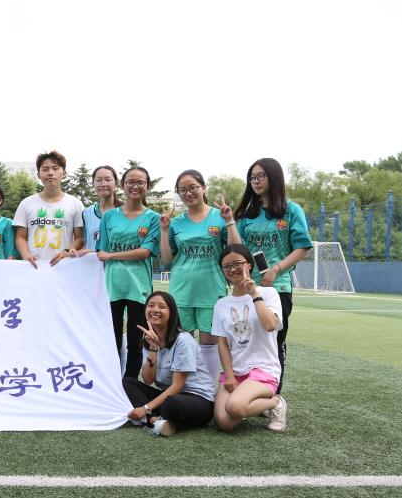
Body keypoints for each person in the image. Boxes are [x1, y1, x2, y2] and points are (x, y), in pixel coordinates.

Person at [230, 158, 313, 393]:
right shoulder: (248, 213)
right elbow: (239, 248)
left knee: (275, 340)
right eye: (252, 178)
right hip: (247, 288)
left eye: (260, 176)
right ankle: (248, 394)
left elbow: (302, 247)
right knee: (245, 341)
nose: (255, 182)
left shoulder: (291, 210)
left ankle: (273, 397)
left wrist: (276, 269)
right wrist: (229, 222)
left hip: (279, 288)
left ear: (274, 177)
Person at [159, 169, 238, 381]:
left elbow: (235, 251)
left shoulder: (219, 217)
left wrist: (230, 221)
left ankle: (208, 391)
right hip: (181, 291)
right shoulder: (176, 223)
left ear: (204, 188)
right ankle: (183, 388)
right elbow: (166, 259)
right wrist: (164, 231)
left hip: (211, 290)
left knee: (209, 344)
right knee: (182, 342)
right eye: (182, 190)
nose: (188, 193)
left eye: (192, 187)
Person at [211, 245, 287, 433]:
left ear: (249, 265)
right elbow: (222, 343)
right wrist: (229, 375)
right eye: (226, 266)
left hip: (263, 369)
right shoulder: (221, 304)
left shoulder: (268, 293)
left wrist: (254, 293)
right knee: (224, 422)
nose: (232, 269)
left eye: (237, 264)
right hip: (236, 371)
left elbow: (270, 325)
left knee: (235, 407)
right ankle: (254, 403)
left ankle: (276, 402)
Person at [94, 166, 161, 379]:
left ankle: (130, 384)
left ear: (147, 186)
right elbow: (101, 251)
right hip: (112, 286)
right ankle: (111, 383)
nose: (135, 186)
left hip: (138, 287)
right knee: (110, 340)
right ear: (122, 185)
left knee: (135, 341)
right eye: (130, 182)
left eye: (140, 182)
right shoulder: (109, 217)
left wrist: (112, 256)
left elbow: (145, 251)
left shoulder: (153, 218)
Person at [123, 291, 215, 436]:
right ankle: (155, 421)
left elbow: (178, 386)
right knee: (128, 382)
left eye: (162, 306)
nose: (155, 310)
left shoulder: (183, 340)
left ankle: (149, 418)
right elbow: (148, 379)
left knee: (171, 404)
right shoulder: (149, 339)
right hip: (169, 395)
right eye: (151, 305)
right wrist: (153, 348)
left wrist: (146, 408)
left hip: (198, 399)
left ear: (172, 313)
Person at [13, 150, 85, 267]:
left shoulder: (76, 204)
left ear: (64, 173)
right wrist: (26, 255)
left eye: (55, 168)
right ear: (38, 175)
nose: (50, 173)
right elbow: (20, 236)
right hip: (34, 266)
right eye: (45, 169)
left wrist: (66, 252)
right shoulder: (26, 203)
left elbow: (80, 238)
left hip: (65, 266)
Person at [81, 165, 122, 252]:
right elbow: (86, 242)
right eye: (99, 180)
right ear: (93, 184)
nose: (103, 184)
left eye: (108, 180)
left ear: (116, 183)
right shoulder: (87, 213)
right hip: (92, 261)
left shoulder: (126, 211)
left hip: (118, 260)